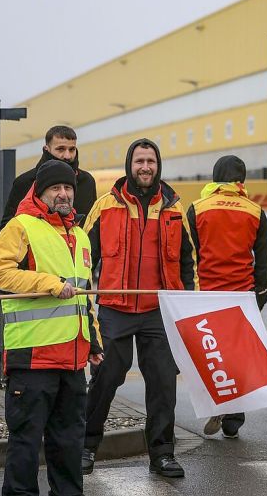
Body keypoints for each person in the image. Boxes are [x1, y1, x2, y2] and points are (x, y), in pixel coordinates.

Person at [80, 138, 197, 478]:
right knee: (107, 377)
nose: (145, 167)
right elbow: (84, 261)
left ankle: (162, 454)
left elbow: (189, 263)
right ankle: (86, 446)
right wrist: (85, 305)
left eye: (151, 161)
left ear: (158, 166)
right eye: (139, 161)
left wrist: (185, 306)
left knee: (162, 382)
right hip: (115, 307)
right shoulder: (106, 206)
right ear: (129, 165)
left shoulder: (174, 208)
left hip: (158, 309)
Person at [0, 160, 104, 496]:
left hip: (71, 359)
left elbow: (84, 296)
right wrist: (50, 283)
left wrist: (92, 341)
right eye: (56, 188)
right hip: (33, 357)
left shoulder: (80, 236)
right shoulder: (20, 226)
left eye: (68, 188)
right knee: (25, 442)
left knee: (68, 441)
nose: (64, 194)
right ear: (41, 192)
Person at [188, 156, 267, 439]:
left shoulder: (197, 209)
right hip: (241, 296)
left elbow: (191, 253)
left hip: (207, 294)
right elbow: (262, 258)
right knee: (236, 356)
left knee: (211, 354)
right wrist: (260, 293)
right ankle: (234, 417)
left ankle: (216, 400)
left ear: (214, 178)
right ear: (241, 181)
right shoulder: (255, 211)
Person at [2, 125, 97, 228]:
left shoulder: (87, 181)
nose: (67, 156)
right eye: (60, 149)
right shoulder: (25, 182)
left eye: (72, 149)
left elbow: (93, 224)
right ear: (47, 149)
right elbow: (8, 227)